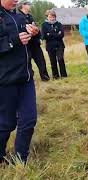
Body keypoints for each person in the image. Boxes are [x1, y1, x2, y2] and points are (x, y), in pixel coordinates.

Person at [0, 0, 38, 164]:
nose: (16, 0)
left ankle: (20, 160)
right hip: (5, 80)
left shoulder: (20, 17)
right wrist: (12, 41)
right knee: (6, 124)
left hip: (26, 78)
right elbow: (14, 41)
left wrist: (35, 34)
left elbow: (31, 45)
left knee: (29, 120)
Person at [17, 0, 50, 81]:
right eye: (28, 4)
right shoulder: (18, 16)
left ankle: (45, 77)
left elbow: (36, 29)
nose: (30, 5)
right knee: (27, 63)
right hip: (26, 44)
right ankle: (29, 78)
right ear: (23, 5)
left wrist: (37, 34)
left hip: (35, 43)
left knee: (41, 60)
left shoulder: (30, 16)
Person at [41, 9, 67, 79]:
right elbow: (44, 36)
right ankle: (56, 76)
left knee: (60, 59)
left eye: (53, 16)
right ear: (47, 17)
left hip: (59, 45)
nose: (52, 18)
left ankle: (64, 75)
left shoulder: (59, 24)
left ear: (55, 16)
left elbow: (61, 35)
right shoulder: (44, 25)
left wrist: (50, 34)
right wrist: (56, 34)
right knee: (53, 61)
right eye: (50, 16)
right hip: (50, 46)